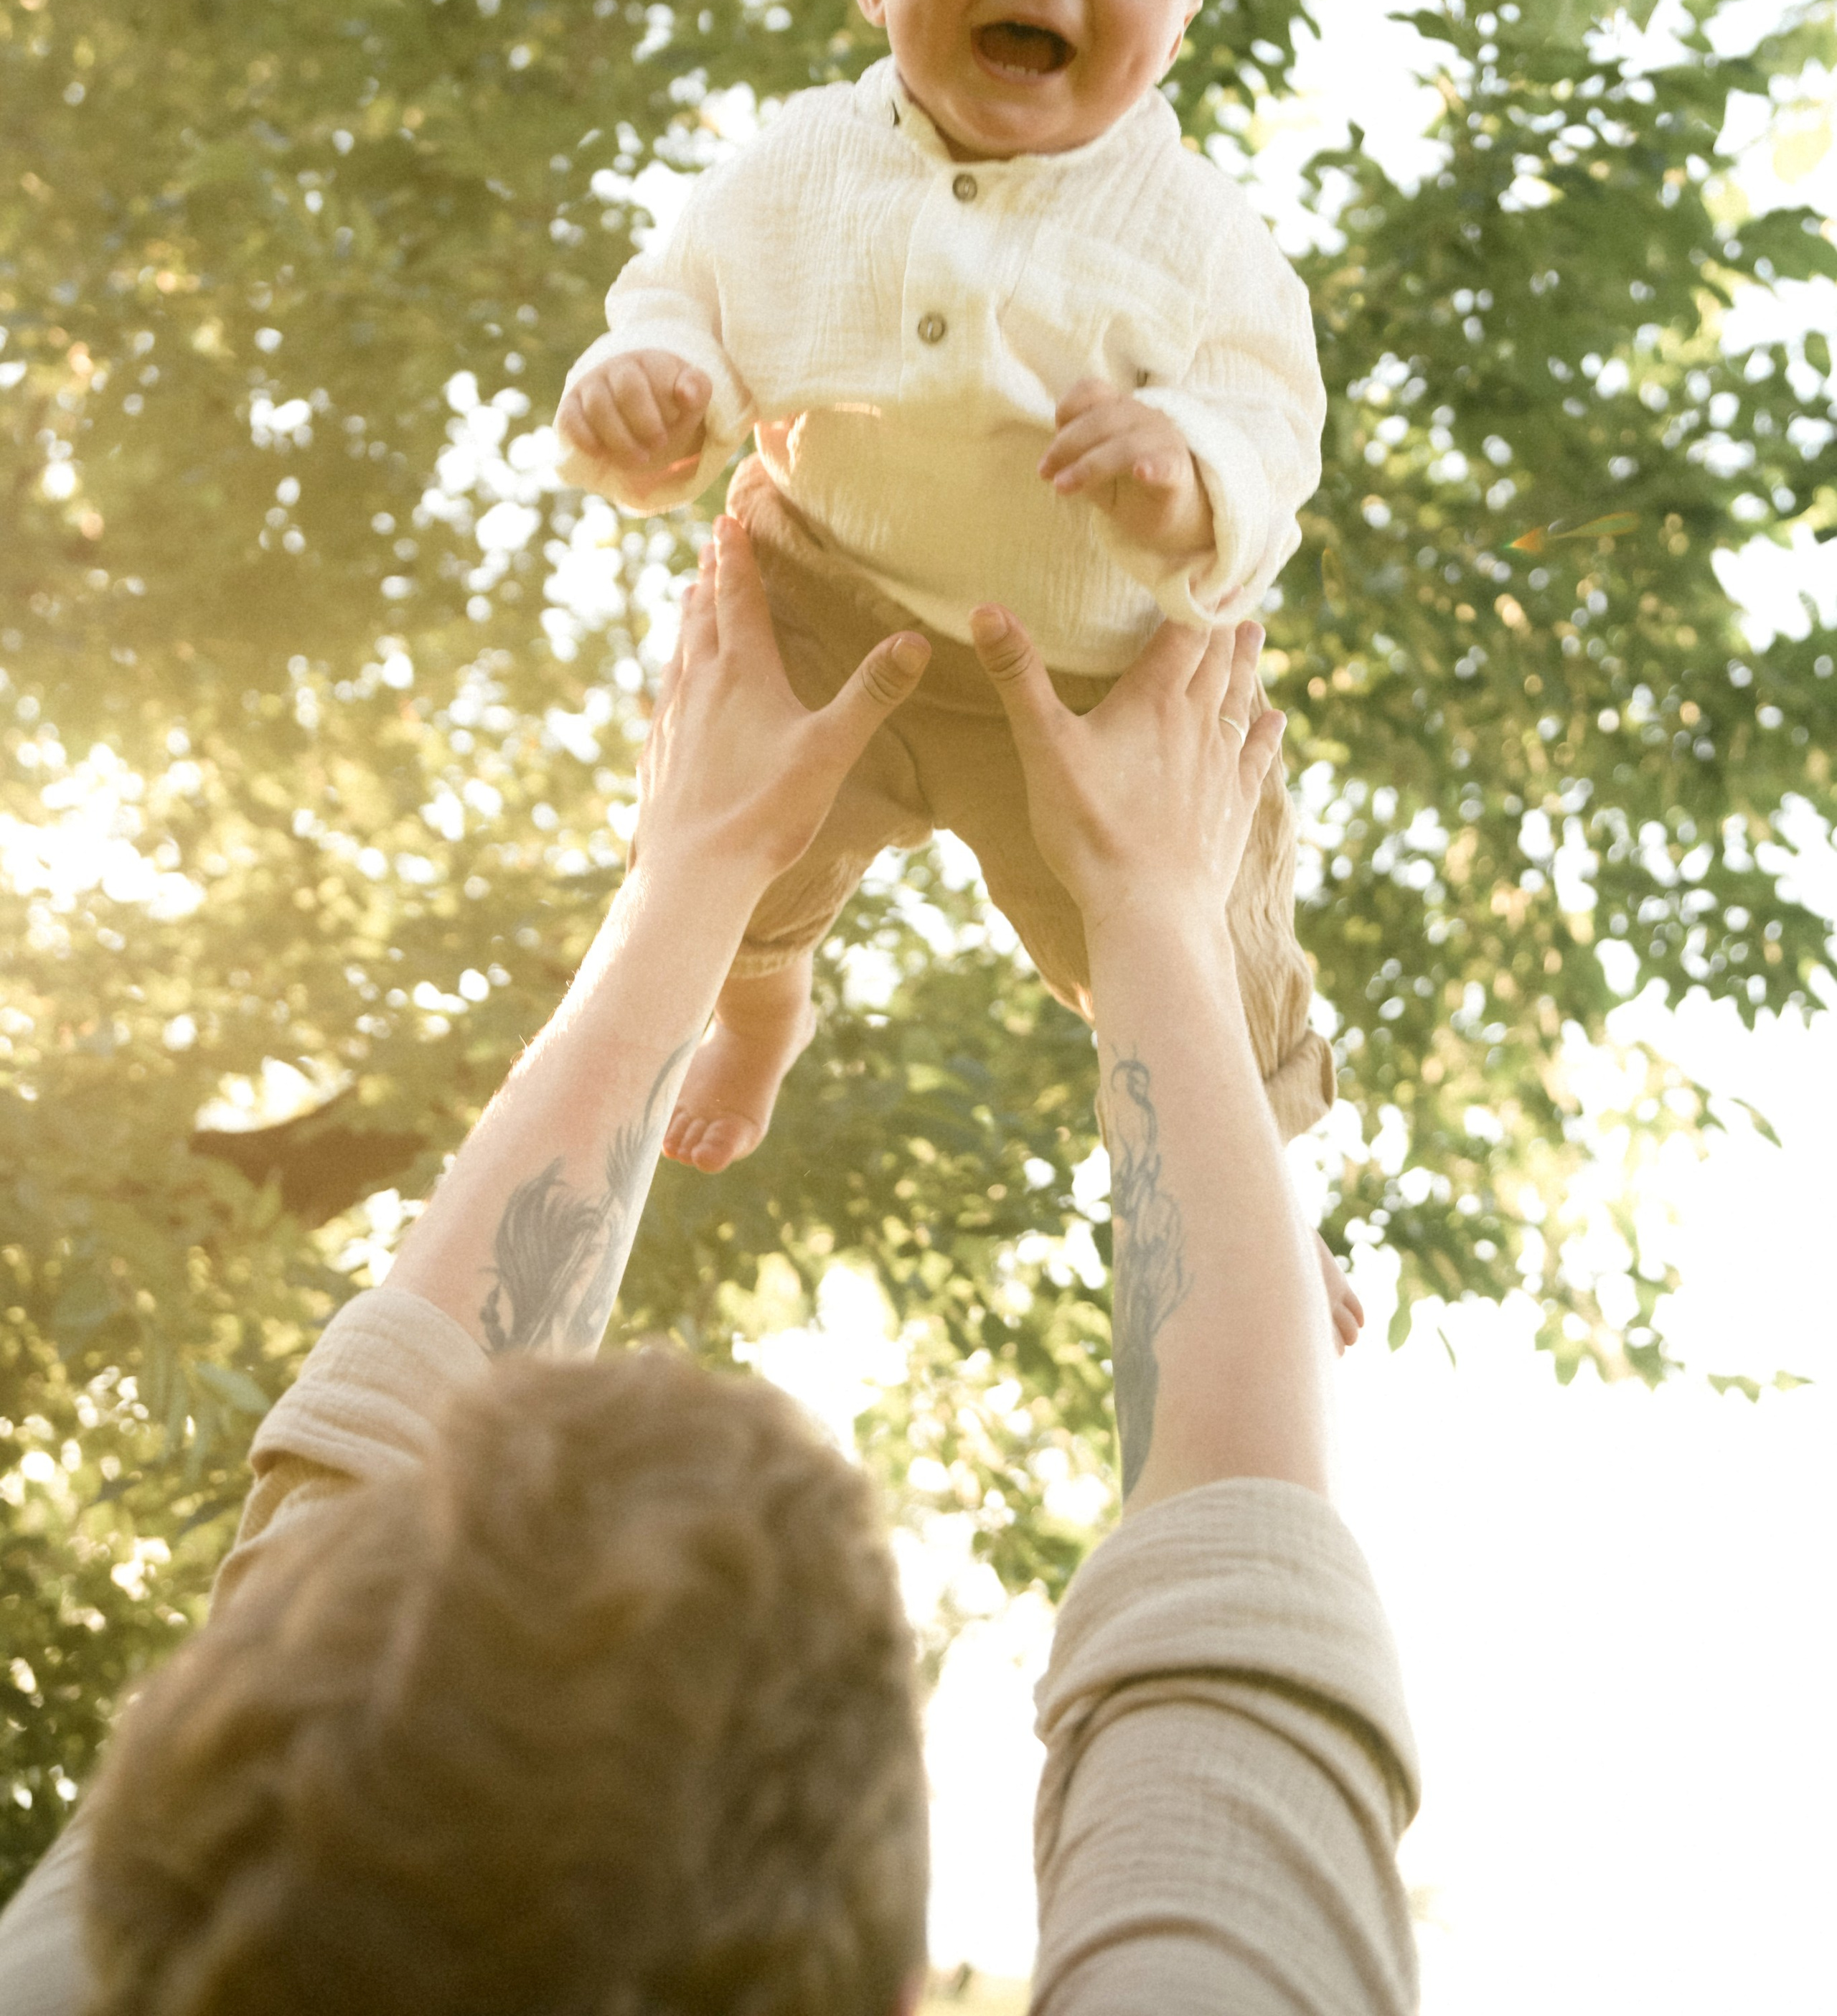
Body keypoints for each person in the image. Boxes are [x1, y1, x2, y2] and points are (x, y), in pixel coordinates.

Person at [0, 520, 1418, 2014]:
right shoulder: (113, 1967)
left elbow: (1230, 1593)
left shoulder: (174, 1946)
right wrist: (1152, 904)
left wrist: (708, 877)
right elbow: (1233, 1568)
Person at [553, 0, 1333, 1184]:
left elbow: (1265, 410)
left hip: (1087, 680)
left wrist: (1186, 475)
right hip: (822, 594)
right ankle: (760, 1017)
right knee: (733, 859)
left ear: (1169, 32)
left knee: (1194, 945)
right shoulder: (798, 167)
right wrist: (651, 379)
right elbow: (687, 302)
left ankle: (1262, 1192)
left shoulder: (1188, 231)